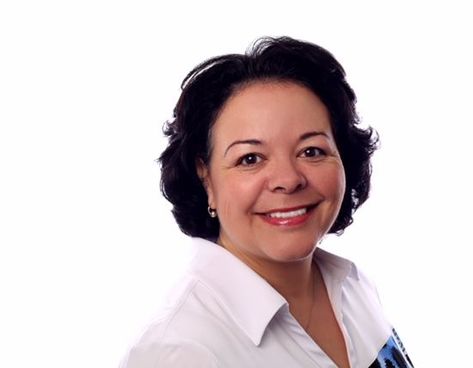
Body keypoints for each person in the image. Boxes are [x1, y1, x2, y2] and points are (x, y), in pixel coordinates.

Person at [120, 36, 414, 368]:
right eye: (250, 159)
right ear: (205, 178)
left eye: (311, 151)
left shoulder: (355, 288)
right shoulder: (180, 352)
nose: (288, 180)